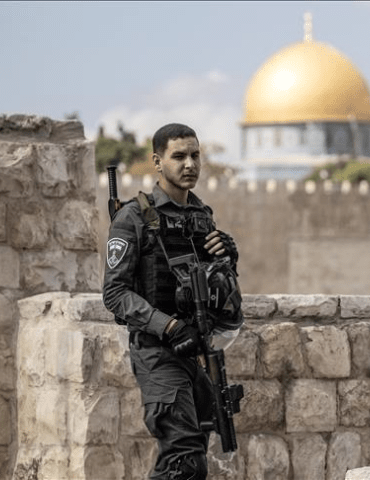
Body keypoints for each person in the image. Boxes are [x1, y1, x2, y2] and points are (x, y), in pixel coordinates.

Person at [103, 123, 241, 480]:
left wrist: (228, 257)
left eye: (195, 155)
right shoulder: (132, 217)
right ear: (157, 162)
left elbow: (216, 288)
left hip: (198, 352)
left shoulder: (201, 217)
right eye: (178, 156)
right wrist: (168, 325)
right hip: (158, 353)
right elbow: (115, 294)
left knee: (191, 459)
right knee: (184, 460)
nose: (189, 164)